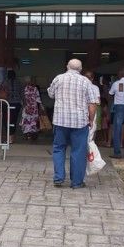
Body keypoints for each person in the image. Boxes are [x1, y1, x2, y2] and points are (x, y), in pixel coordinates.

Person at [48, 59, 97, 189]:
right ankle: (76, 182)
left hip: (60, 121)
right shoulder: (86, 81)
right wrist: (91, 120)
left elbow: (51, 94)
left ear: (67, 67)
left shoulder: (58, 78)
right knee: (78, 151)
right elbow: (92, 103)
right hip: (80, 122)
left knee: (59, 148)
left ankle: (58, 178)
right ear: (80, 69)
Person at [0, 70, 24, 138]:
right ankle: (12, 135)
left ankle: (8, 134)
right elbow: (22, 93)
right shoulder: (19, 82)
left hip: (6, 103)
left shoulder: (4, 82)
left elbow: (0, 92)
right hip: (16, 103)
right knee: (14, 119)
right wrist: (24, 103)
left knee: (6, 119)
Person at [19, 76, 42, 143]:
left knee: (25, 121)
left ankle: (26, 136)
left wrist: (24, 106)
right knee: (33, 122)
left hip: (26, 107)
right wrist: (39, 108)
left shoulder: (23, 89)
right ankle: (33, 136)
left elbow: (22, 99)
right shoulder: (35, 89)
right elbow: (38, 99)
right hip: (34, 108)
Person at [83, 70, 102, 143]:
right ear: (92, 78)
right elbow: (98, 102)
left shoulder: (80, 87)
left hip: (81, 110)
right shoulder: (95, 87)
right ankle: (89, 146)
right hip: (92, 110)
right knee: (91, 128)